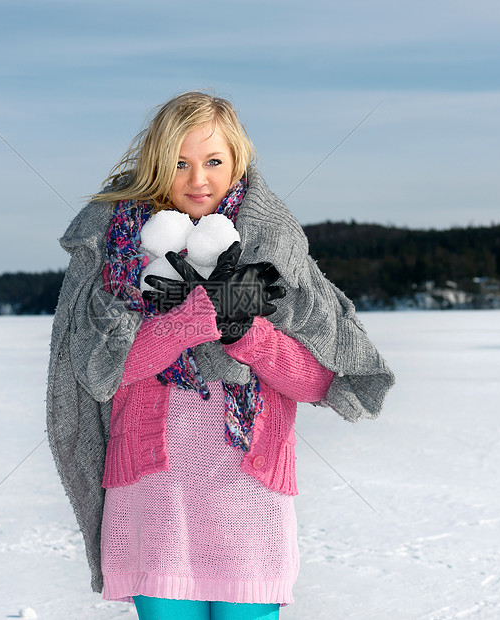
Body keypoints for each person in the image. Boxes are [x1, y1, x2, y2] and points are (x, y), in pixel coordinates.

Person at [46, 92, 394, 620]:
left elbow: (321, 380)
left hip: (249, 495)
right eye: (179, 163)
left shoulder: (274, 254)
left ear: (238, 162)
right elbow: (100, 370)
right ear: (156, 164)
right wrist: (190, 321)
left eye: (213, 161)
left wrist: (247, 335)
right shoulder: (117, 250)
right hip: (152, 495)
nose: (197, 179)